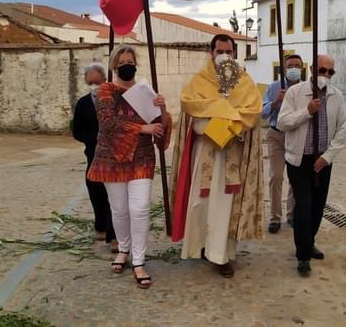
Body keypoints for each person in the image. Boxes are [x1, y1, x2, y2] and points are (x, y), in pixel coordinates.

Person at [169, 34, 264, 278]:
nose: (225, 55)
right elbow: (191, 110)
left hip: (231, 152)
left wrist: (228, 123)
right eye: (220, 50)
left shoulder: (243, 80)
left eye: (229, 51)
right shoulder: (199, 81)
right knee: (201, 204)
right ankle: (201, 245)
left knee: (224, 206)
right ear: (211, 52)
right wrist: (225, 114)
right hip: (205, 150)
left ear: (234, 53)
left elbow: (252, 112)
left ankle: (220, 256)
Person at [87, 45, 172, 289]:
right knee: (120, 210)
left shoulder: (145, 91)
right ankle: (123, 249)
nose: (127, 65)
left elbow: (160, 124)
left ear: (136, 64)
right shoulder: (106, 91)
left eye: (130, 61)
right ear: (114, 66)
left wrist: (162, 108)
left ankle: (139, 261)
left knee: (141, 207)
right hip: (111, 158)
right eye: (122, 61)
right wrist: (140, 128)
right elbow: (107, 121)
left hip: (141, 157)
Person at [277, 54, 346, 276]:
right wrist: (306, 112)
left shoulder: (337, 97)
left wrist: (327, 157)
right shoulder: (295, 93)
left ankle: (309, 241)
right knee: (304, 206)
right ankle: (302, 255)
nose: (325, 75)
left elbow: (343, 129)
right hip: (299, 160)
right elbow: (282, 122)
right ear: (312, 69)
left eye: (330, 72)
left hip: (322, 161)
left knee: (318, 206)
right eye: (322, 70)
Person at [71, 63, 117, 252]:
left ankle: (113, 232)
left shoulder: (115, 99)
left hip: (114, 154)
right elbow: (77, 131)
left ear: (104, 81)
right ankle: (100, 224)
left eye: (97, 82)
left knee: (113, 193)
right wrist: (92, 140)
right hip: (93, 152)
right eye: (90, 83)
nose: (94, 86)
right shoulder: (83, 103)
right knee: (95, 190)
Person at [262, 54, 303, 233]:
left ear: (302, 68)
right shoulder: (273, 87)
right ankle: (274, 217)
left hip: (296, 136)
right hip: (276, 136)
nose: (293, 68)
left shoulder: (306, 88)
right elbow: (262, 113)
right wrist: (277, 101)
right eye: (290, 65)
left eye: (297, 65)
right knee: (276, 176)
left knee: (296, 178)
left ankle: (292, 214)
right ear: (284, 69)